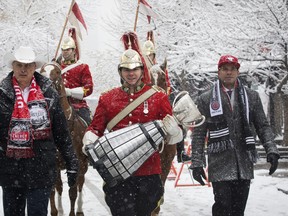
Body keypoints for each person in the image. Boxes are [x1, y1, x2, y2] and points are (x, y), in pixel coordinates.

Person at [82, 44, 183, 216]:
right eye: (126, 69)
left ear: (142, 70)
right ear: (120, 71)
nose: (131, 73)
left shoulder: (158, 97)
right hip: (118, 173)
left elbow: (170, 136)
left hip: (148, 171)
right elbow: (96, 127)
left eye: (135, 69)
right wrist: (89, 139)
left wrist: (175, 132)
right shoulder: (107, 98)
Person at [189, 55, 280, 216]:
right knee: (222, 208)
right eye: (225, 69)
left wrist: (271, 150)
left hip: (243, 164)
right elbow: (199, 132)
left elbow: (262, 126)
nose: (229, 73)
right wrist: (197, 162)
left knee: (238, 211)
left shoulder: (251, 96)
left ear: (238, 72)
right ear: (218, 72)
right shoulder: (206, 98)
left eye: (233, 69)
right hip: (220, 163)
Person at [0, 46, 79, 216]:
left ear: (34, 67)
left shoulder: (49, 92)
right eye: (19, 64)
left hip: (41, 169)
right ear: (13, 66)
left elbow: (61, 132)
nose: (23, 69)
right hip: (10, 170)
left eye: (28, 65)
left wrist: (72, 162)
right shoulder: (1, 93)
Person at [142, 33, 191, 163]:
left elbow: (167, 83)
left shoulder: (160, 68)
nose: (149, 57)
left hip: (162, 99)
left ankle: (181, 152)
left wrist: (165, 91)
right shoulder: (140, 69)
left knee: (178, 121)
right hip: (145, 101)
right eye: (147, 55)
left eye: (151, 54)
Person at [58, 36, 93, 125]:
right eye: (63, 50)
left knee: (88, 125)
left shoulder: (82, 67)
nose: (64, 52)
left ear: (74, 50)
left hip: (78, 106)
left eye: (68, 49)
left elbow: (89, 88)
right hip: (58, 106)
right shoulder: (57, 68)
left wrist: (70, 92)